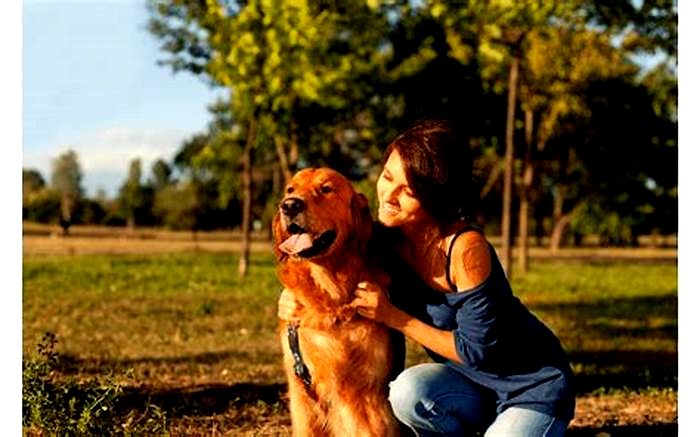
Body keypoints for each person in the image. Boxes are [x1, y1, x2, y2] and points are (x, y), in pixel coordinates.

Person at [278, 119, 576, 436]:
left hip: (529, 389)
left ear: (434, 196)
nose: (388, 196)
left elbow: (478, 352)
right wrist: (296, 294)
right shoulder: (383, 239)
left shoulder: (466, 250)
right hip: (467, 387)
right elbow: (337, 260)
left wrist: (394, 316)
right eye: (387, 177)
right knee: (408, 391)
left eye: (406, 190)